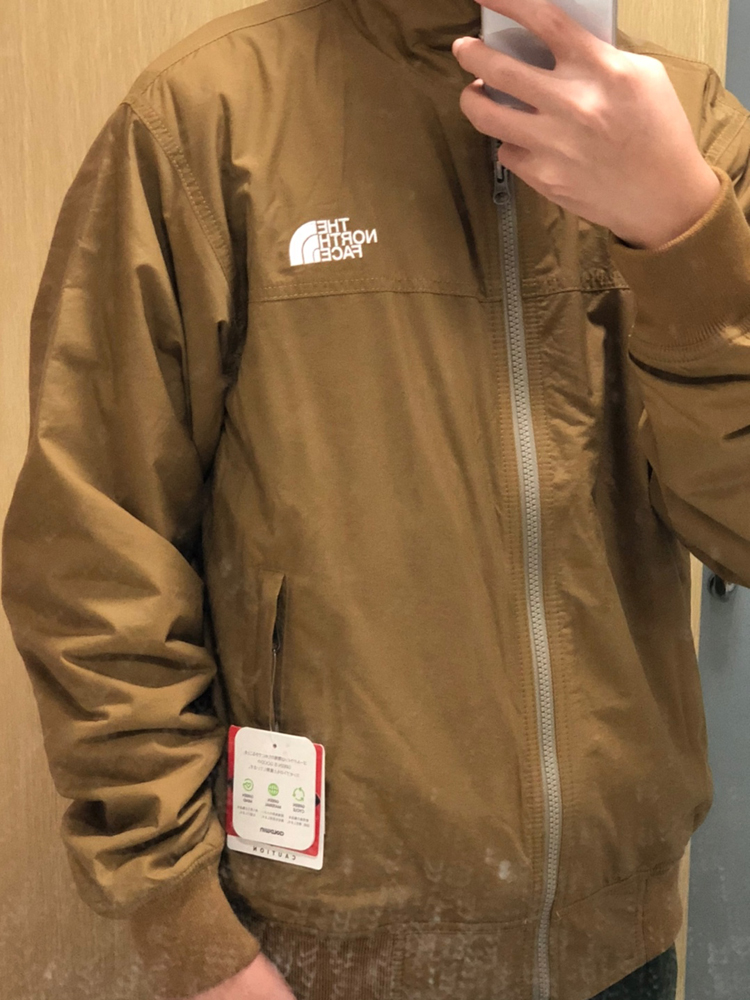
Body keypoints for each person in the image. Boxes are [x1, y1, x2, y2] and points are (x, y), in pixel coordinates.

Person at [4, 0, 750, 997]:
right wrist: (187, 933)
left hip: (617, 953)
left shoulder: (689, 127)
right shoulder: (208, 118)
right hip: (311, 955)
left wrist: (679, 227)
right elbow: (95, 550)